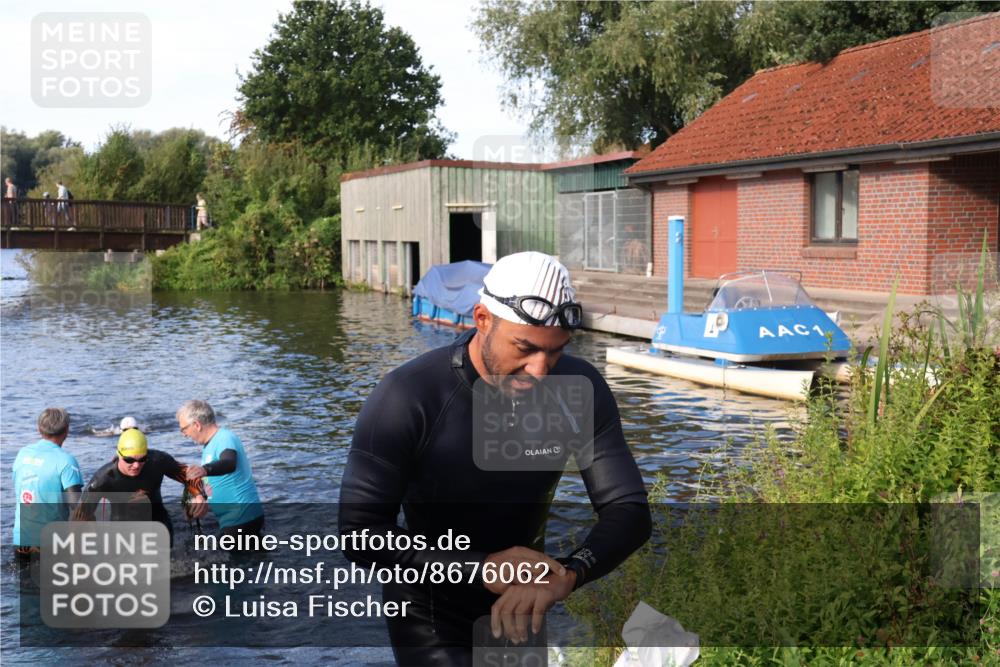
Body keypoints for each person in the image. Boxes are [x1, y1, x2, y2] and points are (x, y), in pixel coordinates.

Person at [339, 251, 651, 666]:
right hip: (431, 611)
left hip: (524, 605)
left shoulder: (579, 389)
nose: (539, 370)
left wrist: (568, 574)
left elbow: (629, 510)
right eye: (523, 348)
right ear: (482, 319)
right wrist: (481, 567)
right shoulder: (408, 396)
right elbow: (359, 533)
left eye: (555, 352)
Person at [75, 429, 207, 544]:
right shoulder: (103, 479)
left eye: (142, 459)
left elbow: (190, 474)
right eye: (129, 460)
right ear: (118, 456)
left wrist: (199, 495)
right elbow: (80, 519)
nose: (136, 465)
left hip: (158, 524)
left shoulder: (157, 461)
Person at [178, 400, 264, 537]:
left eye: (184, 429)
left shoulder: (224, 437)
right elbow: (215, 481)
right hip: (235, 520)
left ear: (196, 425)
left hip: (242, 518)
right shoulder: (210, 446)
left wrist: (204, 470)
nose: (184, 434)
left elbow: (229, 462)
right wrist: (200, 500)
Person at [12, 408, 84, 557]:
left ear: (39, 429)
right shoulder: (66, 461)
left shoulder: (22, 453)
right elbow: (77, 506)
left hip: (21, 540)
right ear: (66, 430)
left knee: (23, 579)